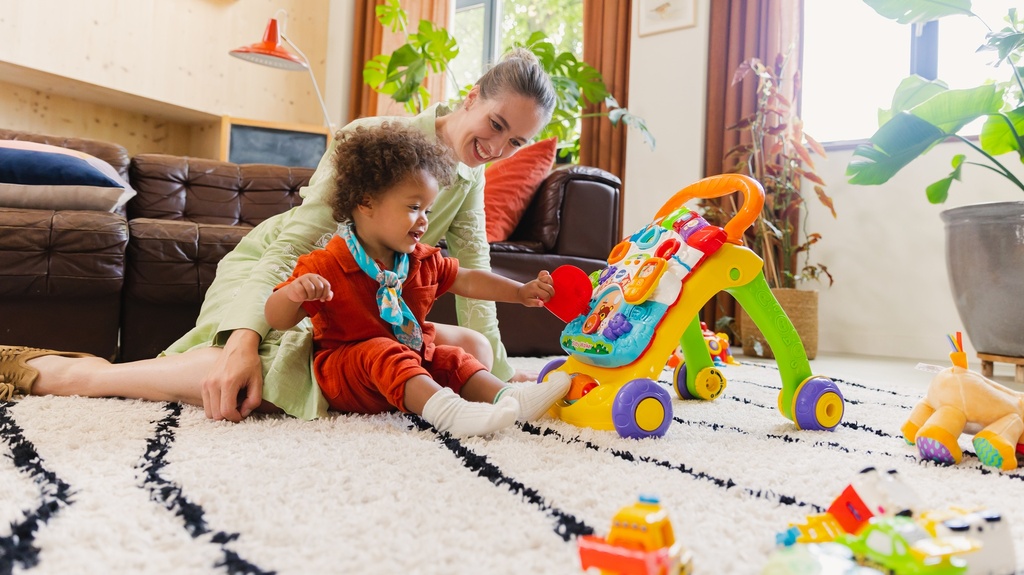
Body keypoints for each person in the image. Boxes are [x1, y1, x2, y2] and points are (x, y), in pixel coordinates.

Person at [0, 48, 557, 422]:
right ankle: (75, 377)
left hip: (364, 306)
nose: (497, 149)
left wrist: (508, 385)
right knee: (252, 379)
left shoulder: (467, 180)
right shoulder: (373, 138)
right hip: (286, 275)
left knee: (475, 351)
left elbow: (474, 279)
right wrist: (244, 338)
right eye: (496, 125)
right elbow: (296, 246)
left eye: (514, 144)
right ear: (471, 98)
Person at [264, 123, 570, 435]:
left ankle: (510, 396)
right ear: (366, 202)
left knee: (450, 358)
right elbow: (276, 317)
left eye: (428, 209)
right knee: (382, 349)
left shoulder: (418, 259)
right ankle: (448, 412)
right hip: (350, 375)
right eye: (413, 207)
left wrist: (520, 292)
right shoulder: (327, 263)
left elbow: (468, 280)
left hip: (410, 362)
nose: (424, 220)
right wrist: (294, 295)